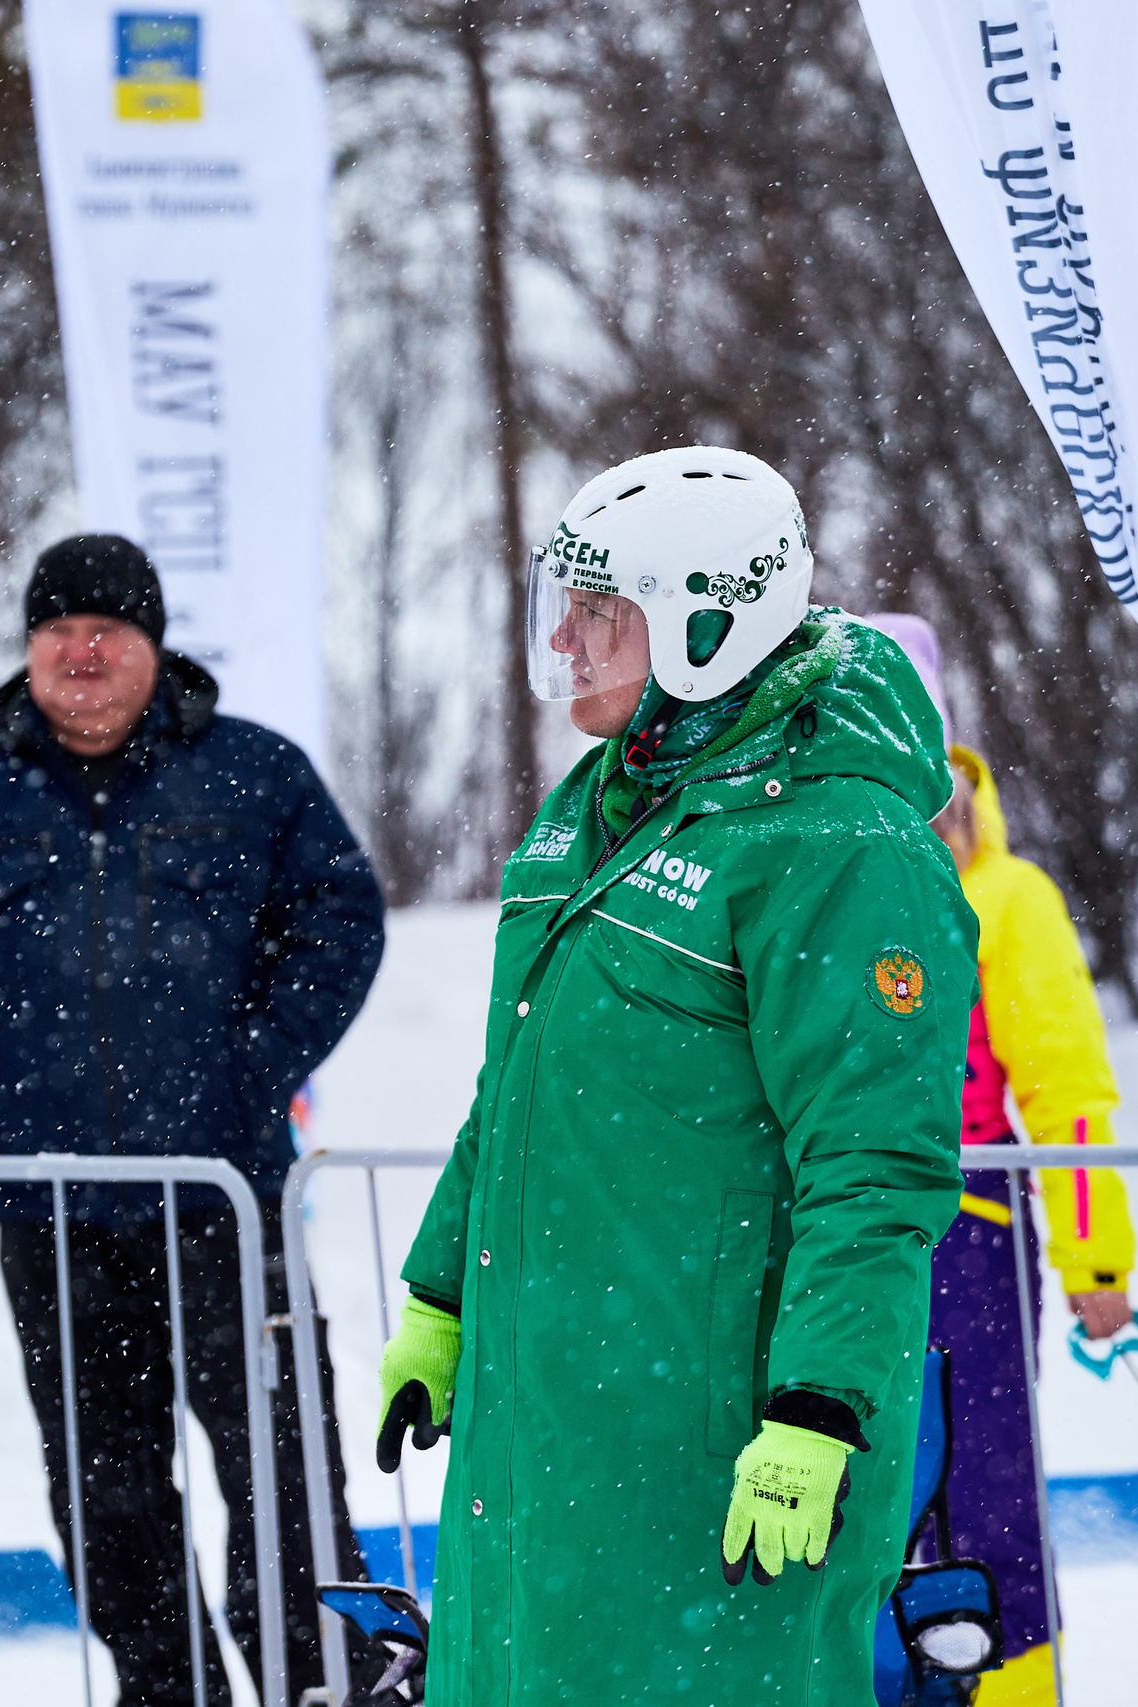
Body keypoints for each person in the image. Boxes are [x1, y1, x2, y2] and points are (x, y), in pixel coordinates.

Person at [372, 448, 974, 1704]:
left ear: (713, 621)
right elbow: (522, 1086)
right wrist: (440, 1295)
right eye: (566, 599)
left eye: (602, 611)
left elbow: (873, 1169)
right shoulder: (597, 800)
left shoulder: (837, 842)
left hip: (707, 1454)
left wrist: (818, 1410)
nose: (565, 638)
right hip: (547, 1430)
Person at [0, 534, 385, 1706]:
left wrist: (254, 1070)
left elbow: (339, 920)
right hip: (56, 1217)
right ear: (29, 651)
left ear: (153, 646)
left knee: (283, 1481)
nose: (81, 651)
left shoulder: (253, 773)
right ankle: (169, 1691)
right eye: (57, 630)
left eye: (108, 629)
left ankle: (323, 1687)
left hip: (225, 1198)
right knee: (104, 1502)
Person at [869, 613, 1138, 1706]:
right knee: (847, 1492)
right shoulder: (827, 873)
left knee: (982, 1491)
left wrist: (1095, 1263)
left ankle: (1011, 1685)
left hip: (967, 1230)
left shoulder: (1007, 896)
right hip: (825, 1232)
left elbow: (1067, 1095)